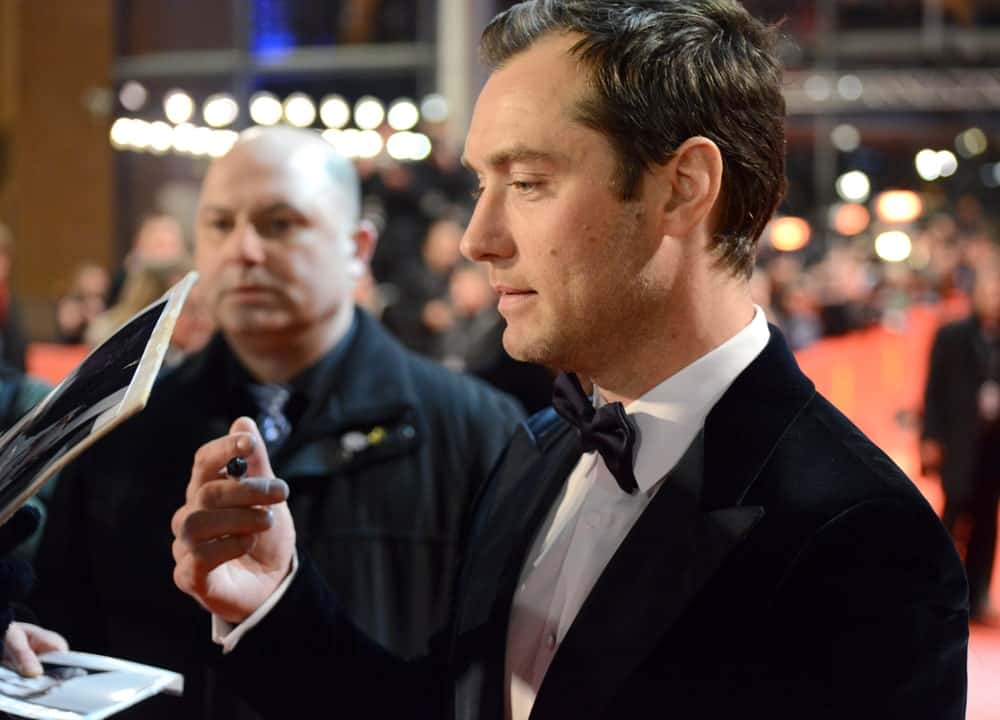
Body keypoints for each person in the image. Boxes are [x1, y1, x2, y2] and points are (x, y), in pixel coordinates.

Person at [171, 2, 969, 718]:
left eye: (526, 181)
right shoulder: (539, 446)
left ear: (684, 187)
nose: (480, 237)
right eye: (483, 184)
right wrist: (273, 602)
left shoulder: (863, 540)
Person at [31, 126, 524, 719]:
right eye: (219, 224)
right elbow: (63, 633)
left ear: (358, 247)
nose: (243, 250)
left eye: (279, 223)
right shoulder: (123, 430)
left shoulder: (474, 432)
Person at [922, 254, 1000, 624]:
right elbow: (933, 391)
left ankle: (977, 593)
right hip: (959, 443)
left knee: (987, 524)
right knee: (951, 517)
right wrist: (931, 437)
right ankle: (936, 589)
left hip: (993, 449)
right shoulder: (951, 334)